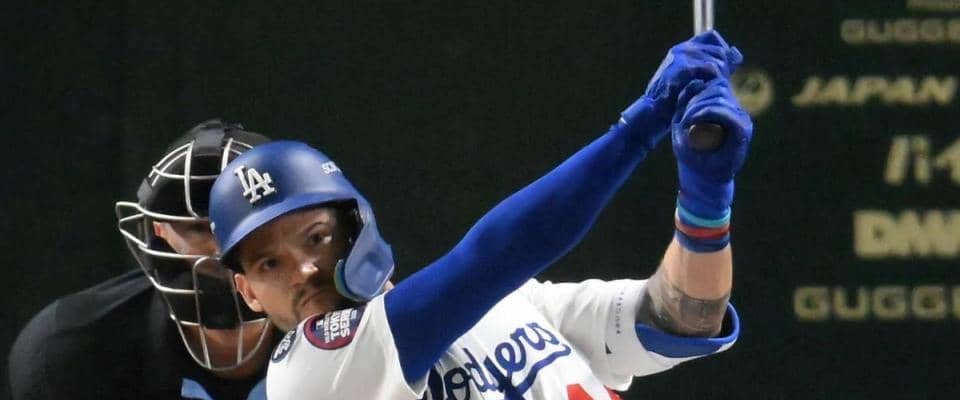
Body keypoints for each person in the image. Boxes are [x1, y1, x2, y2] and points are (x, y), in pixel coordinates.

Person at [210, 31, 752, 399]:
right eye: (269, 264)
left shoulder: (513, 303)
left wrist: (705, 198)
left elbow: (684, 317)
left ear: (357, 226)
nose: (303, 270)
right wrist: (639, 129)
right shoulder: (307, 375)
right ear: (248, 292)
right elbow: (498, 254)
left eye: (316, 237)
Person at [8, 120, 279, 400]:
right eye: (199, 228)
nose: (224, 248)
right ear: (160, 231)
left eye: (249, 224)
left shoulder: (315, 327)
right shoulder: (74, 352)